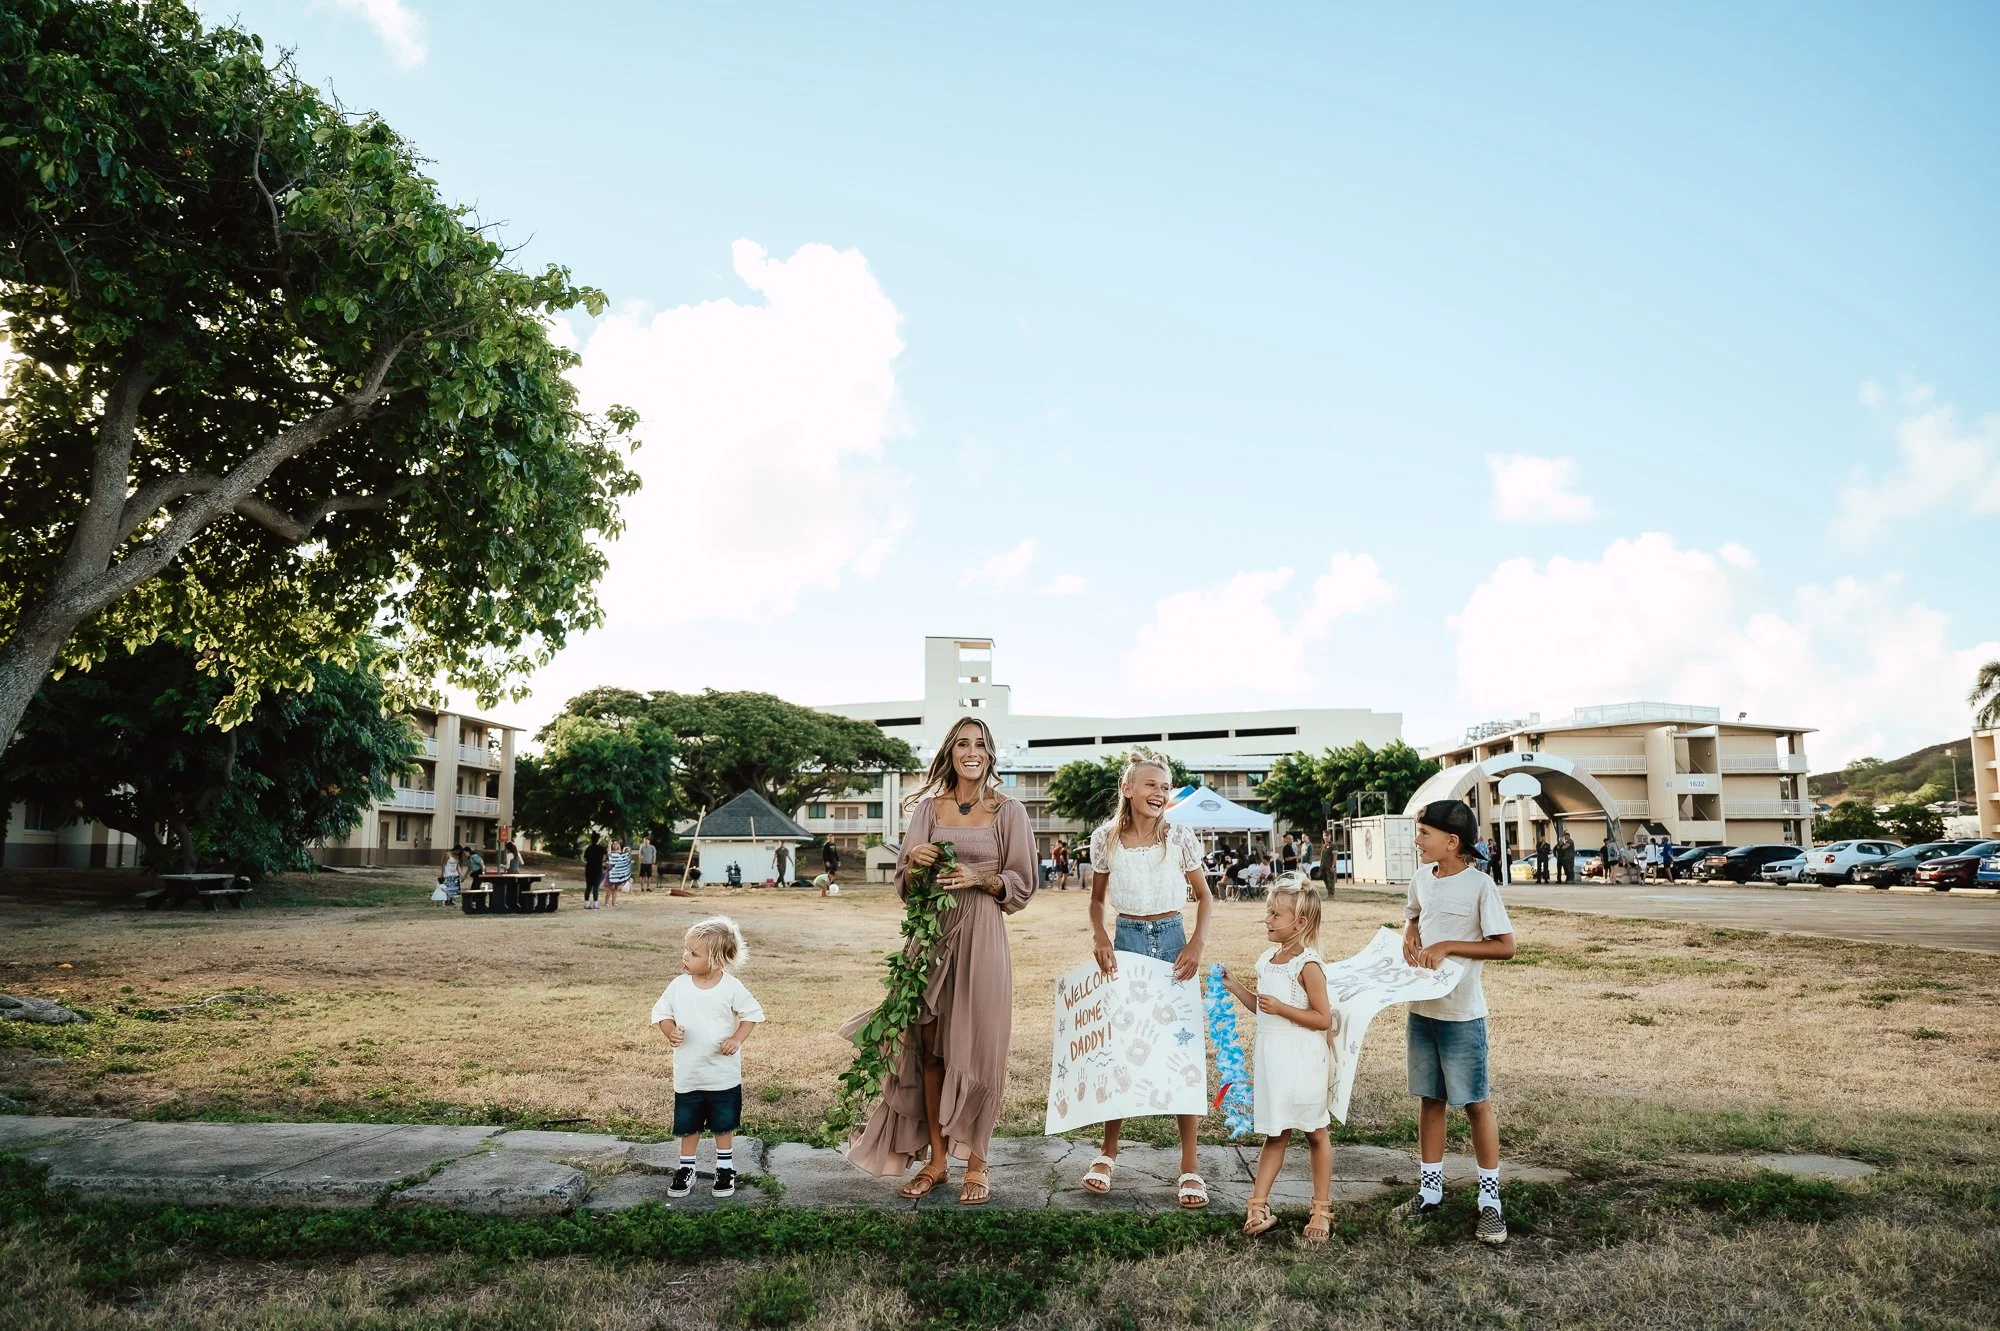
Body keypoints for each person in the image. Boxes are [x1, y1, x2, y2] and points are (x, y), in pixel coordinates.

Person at [843, 715, 1036, 1206]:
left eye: (980, 744)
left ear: (990, 754)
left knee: (979, 1048)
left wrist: (979, 878)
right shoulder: (928, 810)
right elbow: (905, 888)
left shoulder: (1008, 810)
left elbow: (1021, 885)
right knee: (930, 1049)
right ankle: (937, 1161)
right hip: (931, 935)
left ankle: (977, 1162)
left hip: (983, 937)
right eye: (962, 744)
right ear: (950, 752)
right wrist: (916, 863)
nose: (971, 751)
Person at [1078, 752, 1215, 1209]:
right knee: (1122, 1047)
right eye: (1151, 785)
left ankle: (1190, 1166)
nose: (1160, 793)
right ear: (1129, 790)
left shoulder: (1179, 838)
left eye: (1165, 787)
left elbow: (1205, 898)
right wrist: (1100, 937)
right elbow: (1097, 902)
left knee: (1181, 1051)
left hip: (1174, 939)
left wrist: (1194, 945)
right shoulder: (1106, 840)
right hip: (1128, 942)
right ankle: (1107, 1153)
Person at [1398, 800, 1518, 1245]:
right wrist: (1411, 934)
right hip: (1422, 1010)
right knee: (1430, 1099)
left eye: (1423, 834)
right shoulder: (1420, 880)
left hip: (1461, 1014)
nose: (1417, 841)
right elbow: (1413, 916)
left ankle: (1491, 1203)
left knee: (1474, 1104)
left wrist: (1448, 945)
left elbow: (1505, 946)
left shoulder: (1480, 885)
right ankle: (1430, 1192)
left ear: (1452, 842)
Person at [1218, 875, 1334, 1242]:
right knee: (1276, 1133)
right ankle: (1258, 1204)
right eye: (1267, 912)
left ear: (1298, 923)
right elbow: (1263, 1009)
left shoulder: (1308, 965)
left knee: (1315, 1132)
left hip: (1302, 1058)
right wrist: (1238, 988)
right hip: (1274, 1061)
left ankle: (1321, 1209)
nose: (1266, 919)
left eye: (1274, 914)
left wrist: (1284, 1007)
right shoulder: (1268, 959)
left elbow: (1323, 1019)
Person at [652, 916, 765, 1199]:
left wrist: (737, 1038)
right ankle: (686, 1168)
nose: (685, 956)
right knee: (689, 1126)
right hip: (689, 1074)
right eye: (686, 950)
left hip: (722, 1075)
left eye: (694, 953)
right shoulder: (678, 985)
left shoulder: (731, 987)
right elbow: (662, 1013)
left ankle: (725, 1168)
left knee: (722, 1125)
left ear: (715, 960)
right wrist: (670, 1032)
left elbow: (752, 1014)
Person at [582, 832, 607, 910]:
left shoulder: (588, 848)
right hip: (597, 870)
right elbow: (606, 856)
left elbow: (585, 859)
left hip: (589, 870)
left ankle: (586, 904)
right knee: (596, 887)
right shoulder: (601, 848)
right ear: (598, 839)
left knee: (588, 887)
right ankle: (595, 904)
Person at [605, 838, 631, 907]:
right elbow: (609, 854)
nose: (615, 845)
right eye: (614, 844)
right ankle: (606, 902)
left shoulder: (620, 853)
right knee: (610, 887)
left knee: (616, 888)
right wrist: (609, 844)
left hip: (618, 872)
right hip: (611, 871)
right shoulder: (611, 853)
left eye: (617, 843)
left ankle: (614, 902)